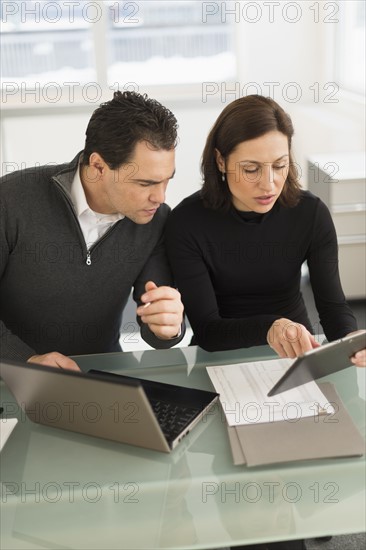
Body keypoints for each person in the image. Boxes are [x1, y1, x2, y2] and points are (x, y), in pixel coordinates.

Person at [165, 94, 365, 368]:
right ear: (220, 161)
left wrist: (351, 340)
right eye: (251, 169)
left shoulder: (311, 213)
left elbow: (333, 308)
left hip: (296, 353)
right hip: (218, 358)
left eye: (280, 166)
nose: (269, 184)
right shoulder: (187, 222)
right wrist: (269, 327)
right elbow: (208, 330)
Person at [0, 91, 184, 371]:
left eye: (166, 181)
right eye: (145, 184)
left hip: (101, 378)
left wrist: (170, 326)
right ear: (98, 166)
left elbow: (156, 331)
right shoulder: (10, 200)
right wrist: (27, 360)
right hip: (12, 377)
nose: (159, 197)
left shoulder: (156, 220)